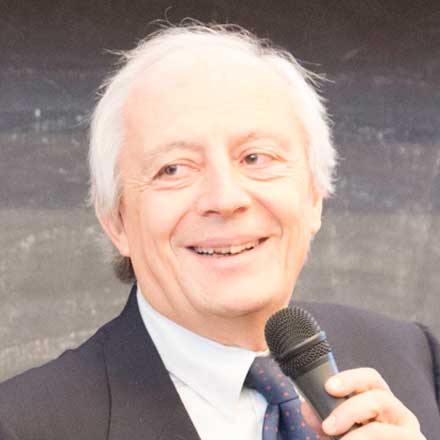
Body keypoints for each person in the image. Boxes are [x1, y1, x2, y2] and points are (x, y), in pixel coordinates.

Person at [0, 22, 438, 440]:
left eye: (255, 158)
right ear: (117, 221)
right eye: (174, 169)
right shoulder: (25, 425)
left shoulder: (412, 360)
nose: (225, 199)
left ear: (314, 196)